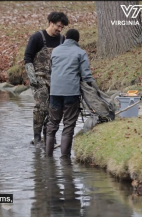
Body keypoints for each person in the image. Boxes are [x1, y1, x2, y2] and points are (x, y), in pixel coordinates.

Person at [46, 29, 98, 157]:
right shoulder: (80, 53)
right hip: (71, 93)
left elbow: (51, 69)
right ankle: (65, 159)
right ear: (77, 40)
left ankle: (48, 157)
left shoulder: (55, 51)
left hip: (54, 92)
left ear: (65, 37)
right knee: (68, 125)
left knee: (52, 124)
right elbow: (86, 75)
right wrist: (94, 88)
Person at [24, 12, 69, 145]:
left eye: (62, 28)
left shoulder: (62, 40)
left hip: (57, 79)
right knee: (41, 107)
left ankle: (49, 136)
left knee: (54, 109)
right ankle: (37, 137)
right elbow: (27, 58)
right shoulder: (37, 37)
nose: (59, 30)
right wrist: (33, 79)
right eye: (58, 26)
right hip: (39, 78)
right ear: (51, 22)